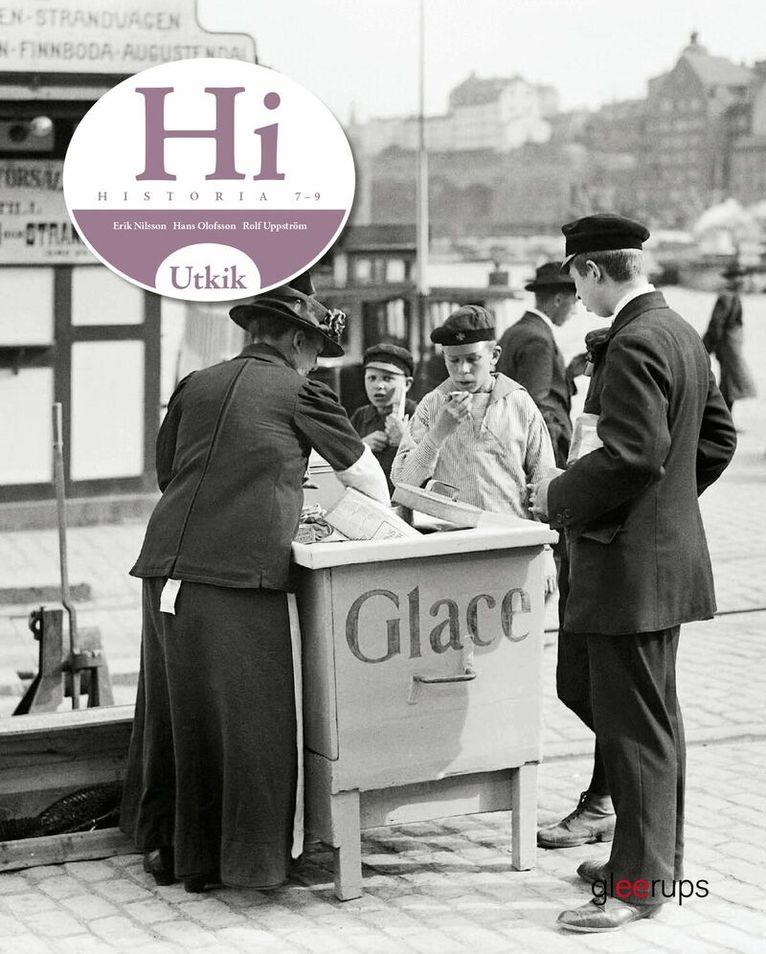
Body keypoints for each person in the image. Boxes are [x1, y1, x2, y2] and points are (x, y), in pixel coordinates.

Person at [120, 276, 389, 893]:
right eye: (315, 349)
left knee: (176, 711)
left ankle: (173, 850)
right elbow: (367, 479)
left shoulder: (195, 383)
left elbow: (168, 472)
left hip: (164, 566)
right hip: (239, 575)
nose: (315, 361)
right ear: (296, 340)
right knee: (252, 720)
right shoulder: (302, 391)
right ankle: (247, 861)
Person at [529, 213, 736, 932]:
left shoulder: (635, 340)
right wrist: (665, 514)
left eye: (576, 279)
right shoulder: (679, 332)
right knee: (642, 718)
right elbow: (716, 439)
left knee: (637, 729)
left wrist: (557, 495)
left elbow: (631, 457)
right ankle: (644, 862)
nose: (576, 294)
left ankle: (640, 885)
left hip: (627, 571)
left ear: (592, 270)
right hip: (654, 565)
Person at [498, 264, 616, 850]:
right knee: (580, 680)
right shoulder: (540, 340)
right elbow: (540, 418)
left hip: (585, 530)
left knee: (595, 682)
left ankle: (612, 793)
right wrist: (553, 486)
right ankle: (622, 780)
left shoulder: (520, 334)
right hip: (563, 515)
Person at [391, 305, 557, 595]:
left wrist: (545, 551)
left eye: (472, 359)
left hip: (513, 548)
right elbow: (403, 482)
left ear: (494, 356)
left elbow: (544, 484)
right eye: (453, 360)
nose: (463, 370)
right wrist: (439, 432)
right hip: (451, 553)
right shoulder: (432, 404)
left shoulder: (519, 403)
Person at [496, 261, 578, 470]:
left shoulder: (515, 331)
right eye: (574, 302)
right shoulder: (538, 340)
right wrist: (551, 465)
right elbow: (534, 405)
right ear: (558, 300)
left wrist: (568, 374)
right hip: (541, 452)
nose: (576, 311)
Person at [349, 343, 417, 492]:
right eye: (371, 378)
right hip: (368, 497)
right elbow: (341, 460)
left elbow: (434, 470)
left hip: (404, 499)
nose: (378, 385)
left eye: (387, 378)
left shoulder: (420, 415)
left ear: (407, 384)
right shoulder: (361, 416)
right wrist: (362, 447)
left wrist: (404, 441)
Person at [702, 262, 756, 415]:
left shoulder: (734, 296)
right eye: (737, 276)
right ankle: (721, 418)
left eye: (742, 276)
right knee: (729, 385)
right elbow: (716, 324)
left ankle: (724, 418)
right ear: (731, 279)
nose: (741, 280)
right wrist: (706, 348)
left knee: (729, 385)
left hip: (732, 347)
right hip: (727, 347)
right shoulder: (726, 296)